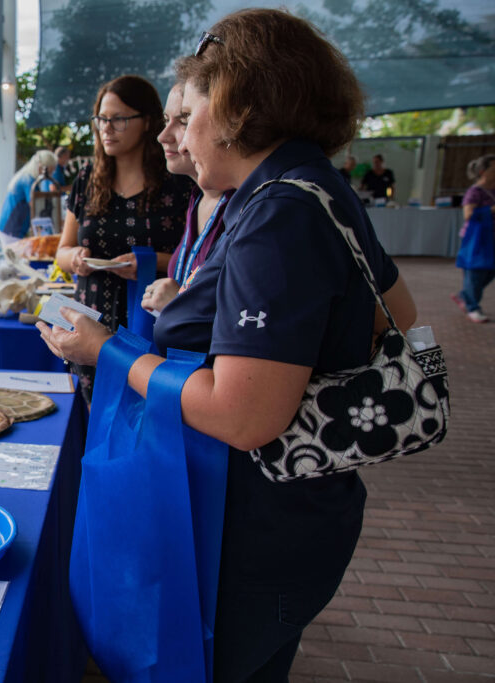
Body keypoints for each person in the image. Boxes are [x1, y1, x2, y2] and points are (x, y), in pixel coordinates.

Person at [38, 10, 417, 681]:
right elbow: (400, 312)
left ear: (240, 102)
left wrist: (107, 352)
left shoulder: (276, 213)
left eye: (189, 108)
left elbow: (244, 415)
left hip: (249, 525)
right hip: (299, 510)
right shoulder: (306, 186)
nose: (168, 133)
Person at [54, 75, 192, 398]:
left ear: (146, 122)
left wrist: (148, 263)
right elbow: (61, 251)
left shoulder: (178, 183)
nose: (107, 128)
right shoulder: (87, 179)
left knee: (145, 421)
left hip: (152, 326)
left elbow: (197, 260)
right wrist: (74, 258)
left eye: (118, 119)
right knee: (94, 424)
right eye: (102, 119)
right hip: (90, 324)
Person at [141, 83, 234, 316]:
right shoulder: (197, 198)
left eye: (184, 119)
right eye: (166, 120)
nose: (163, 136)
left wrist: (180, 301)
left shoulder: (243, 207)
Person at [451, 154, 495, 323]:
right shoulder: (475, 192)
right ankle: (472, 306)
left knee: (490, 272)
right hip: (476, 240)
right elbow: (468, 214)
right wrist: (491, 210)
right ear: (483, 171)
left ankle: (465, 296)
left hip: (491, 239)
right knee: (475, 272)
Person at [0, 149, 59, 246]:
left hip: (9, 228)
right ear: (43, 167)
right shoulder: (29, 181)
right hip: (12, 229)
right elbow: (36, 205)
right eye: (51, 170)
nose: (52, 173)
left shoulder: (25, 177)